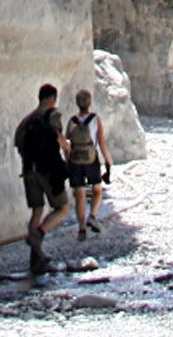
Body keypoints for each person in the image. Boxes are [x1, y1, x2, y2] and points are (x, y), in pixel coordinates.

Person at [14, 83, 70, 275]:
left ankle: (35, 259)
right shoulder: (52, 115)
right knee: (62, 208)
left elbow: (18, 143)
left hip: (29, 171)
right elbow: (59, 138)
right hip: (49, 170)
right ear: (52, 98)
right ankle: (38, 235)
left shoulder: (26, 120)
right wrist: (67, 148)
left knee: (37, 211)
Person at [65, 88, 111, 239]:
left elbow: (67, 143)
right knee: (97, 189)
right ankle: (92, 215)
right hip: (91, 158)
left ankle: (81, 228)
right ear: (89, 103)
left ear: (77, 103)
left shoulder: (72, 121)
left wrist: (67, 160)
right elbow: (101, 141)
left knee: (80, 194)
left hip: (75, 160)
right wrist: (107, 161)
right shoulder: (95, 119)